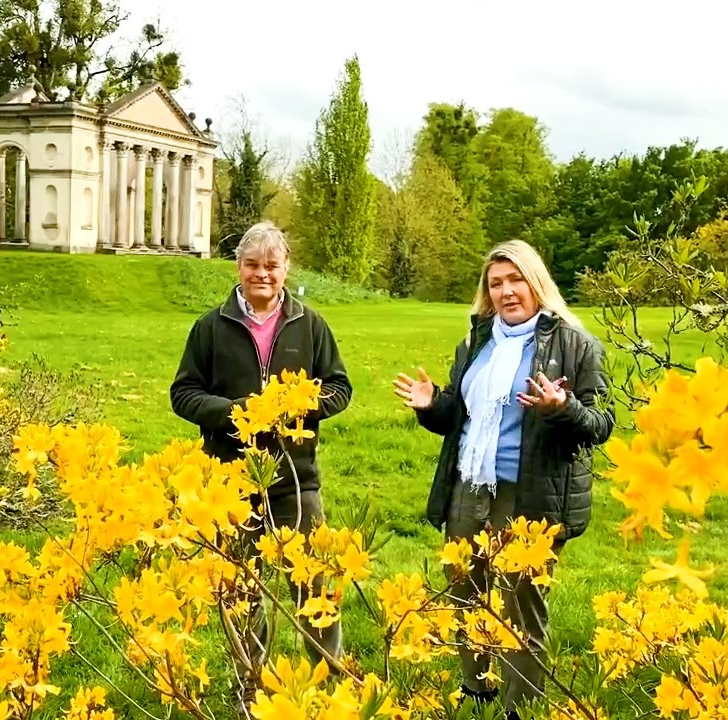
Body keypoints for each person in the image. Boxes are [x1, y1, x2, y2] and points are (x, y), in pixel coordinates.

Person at [392, 240, 614, 717]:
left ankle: (520, 709)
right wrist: (433, 404)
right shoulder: (476, 341)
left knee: (521, 606)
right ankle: (476, 694)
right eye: (496, 284)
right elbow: (458, 416)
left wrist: (563, 408)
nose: (507, 292)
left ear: (536, 284)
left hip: (529, 494)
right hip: (469, 487)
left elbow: (601, 424)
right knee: (463, 595)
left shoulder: (575, 345)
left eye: (516, 280)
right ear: (486, 292)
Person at [170, 220, 353, 709]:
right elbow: (183, 394)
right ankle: (253, 689)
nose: (262, 275)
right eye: (253, 265)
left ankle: (327, 688)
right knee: (240, 589)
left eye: (272, 266)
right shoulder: (211, 326)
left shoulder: (310, 324)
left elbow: (340, 388)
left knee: (314, 584)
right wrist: (235, 412)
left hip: (296, 479)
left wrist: (301, 406)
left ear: (286, 268)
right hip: (229, 481)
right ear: (239, 268)